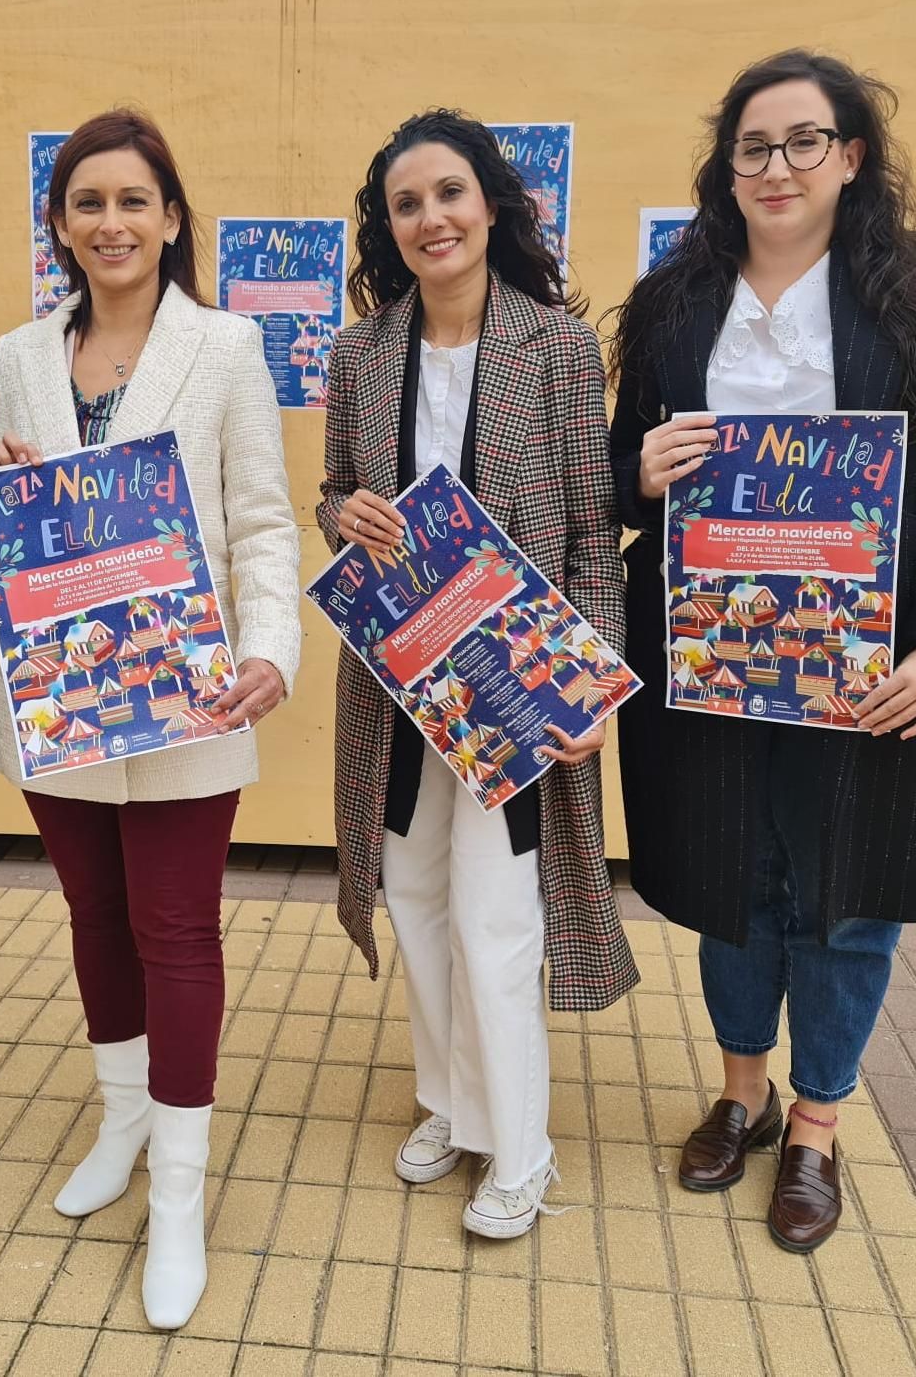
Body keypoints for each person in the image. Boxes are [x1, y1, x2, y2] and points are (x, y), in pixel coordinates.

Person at [609, 51, 916, 1252]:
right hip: (712, 654)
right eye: (752, 146)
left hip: (865, 665)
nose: (775, 166)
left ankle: (817, 1124)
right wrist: (638, 472)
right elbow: (621, 471)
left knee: (843, 900)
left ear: (849, 156)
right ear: (723, 165)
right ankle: (742, 1091)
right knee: (738, 882)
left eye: (802, 141)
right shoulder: (677, 299)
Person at [0, 108, 300, 1329]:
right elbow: (11, 520)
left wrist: (270, 648)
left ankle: (177, 1193)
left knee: (178, 932)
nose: (110, 223)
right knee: (93, 913)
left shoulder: (224, 345)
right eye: (86, 203)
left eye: (133, 201)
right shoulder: (19, 352)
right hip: (59, 700)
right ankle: (120, 1121)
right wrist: (9, 488)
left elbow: (262, 518)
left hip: (188, 692)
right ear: (57, 224)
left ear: (171, 218)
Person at [319, 109, 635, 1241]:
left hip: (514, 681)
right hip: (397, 682)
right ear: (387, 225)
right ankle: (450, 1106)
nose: (429, 218)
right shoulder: (360, 351)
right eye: (406, 203)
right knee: (414, 898)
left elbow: (595, 532)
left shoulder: (553, 346)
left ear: (489, 204)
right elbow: (334, 495)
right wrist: (336, 513)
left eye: (447, 193)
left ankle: (523, 1146)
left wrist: (590, 681)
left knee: (498, 915)